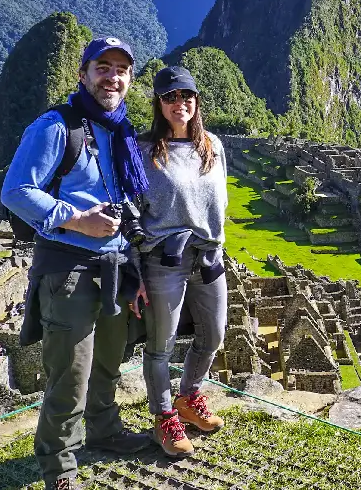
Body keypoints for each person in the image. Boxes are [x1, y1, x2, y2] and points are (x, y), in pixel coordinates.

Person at [1, 36, 152, 490]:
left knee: (109, 361)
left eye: (121, 69)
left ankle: (105, 433)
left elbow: (127, 203)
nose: (113, 77)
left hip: (116, 268)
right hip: (68, 269)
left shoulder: (119, 131)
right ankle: (59, 467)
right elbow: (16, 191)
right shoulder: (55, 127)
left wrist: (137, 269)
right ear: (82, 74)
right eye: (102, 67)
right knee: (71, 375)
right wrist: (75, 220)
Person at [129, 65, 229, 458]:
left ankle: (189, 397)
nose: (179, 103)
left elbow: (218, 202)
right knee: (161, 345)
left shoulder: (214, 146)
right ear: (159, 103)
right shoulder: (143, 150)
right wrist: (134, 270)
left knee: (215, 334)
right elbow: (132, 212)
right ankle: (164, 417)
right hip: (162, 260)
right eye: (170, 97)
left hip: (208, 255)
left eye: (186, 96)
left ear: (196, 101)